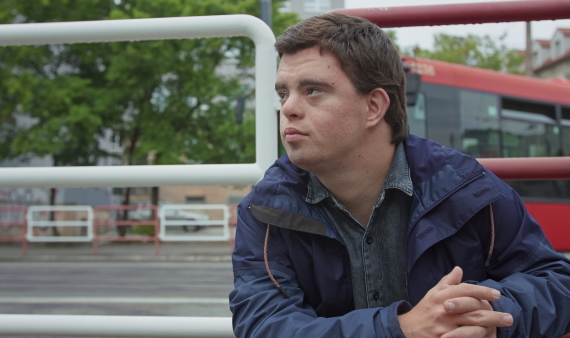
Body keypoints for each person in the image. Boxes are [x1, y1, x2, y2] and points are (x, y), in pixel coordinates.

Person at [229, 12, 570, 338]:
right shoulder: (264, 210)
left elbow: (556, 283)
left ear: (375, 106)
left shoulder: (465, 186)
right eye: (283, 93)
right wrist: (403, 329)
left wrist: (484, 314)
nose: (288, 108)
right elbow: (264, 325)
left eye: (313, 90)